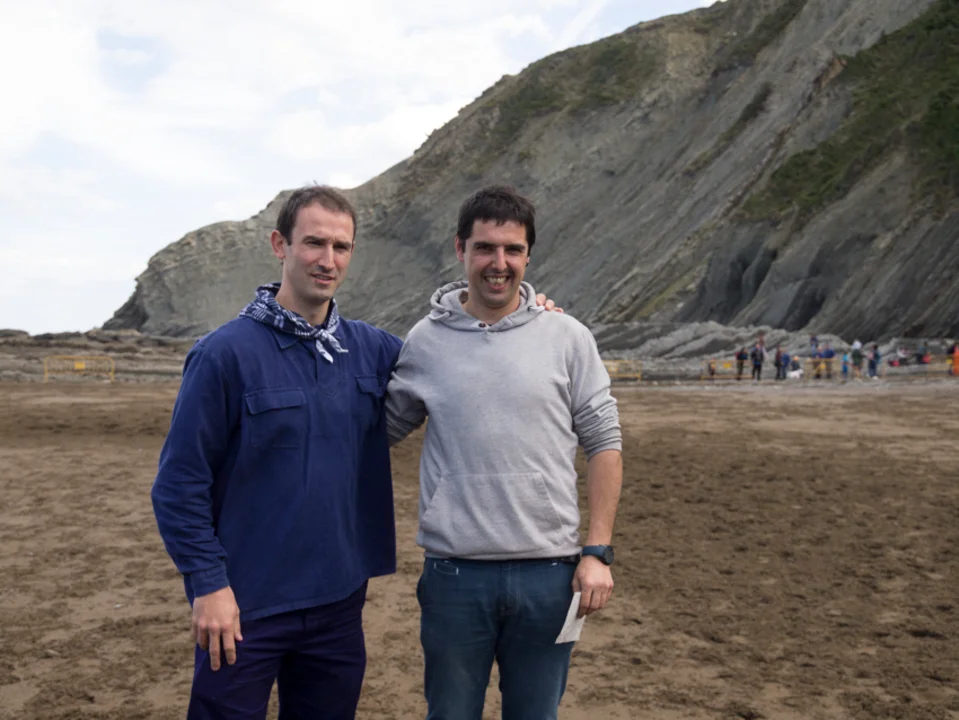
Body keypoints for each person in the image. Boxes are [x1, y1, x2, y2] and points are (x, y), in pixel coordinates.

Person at [150, 184, 561, 719]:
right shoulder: (223, 355)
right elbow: (178, 485)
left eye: (340, 247)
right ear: (280, 244)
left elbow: (462, 350)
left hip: (338, 607)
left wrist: (529, 315)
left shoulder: (374, 350)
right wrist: (208, 586)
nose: (327, 260)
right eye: (313, 243)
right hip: (245, 604)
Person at [385, 185, 623, 720]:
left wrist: (597, 551)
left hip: (550, 576)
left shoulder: (567, 336)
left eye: (513, 250)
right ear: (460, 249)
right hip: (454, 577)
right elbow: (377, 432)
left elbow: (604, 441)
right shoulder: (425, 340)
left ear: (528, 256)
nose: (499, 263)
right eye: (485, 248)